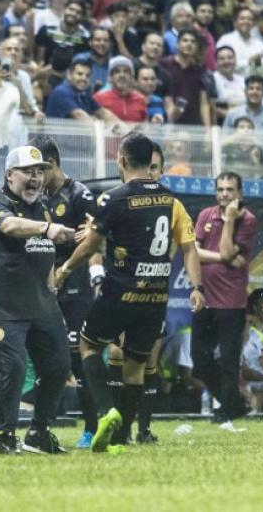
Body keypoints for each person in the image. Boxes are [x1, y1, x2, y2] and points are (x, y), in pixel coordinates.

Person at [56, 132, 204, 452]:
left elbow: (91, 247)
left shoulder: (113, 197)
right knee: (136, 366)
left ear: (121, 161)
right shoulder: (170, 199)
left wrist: (66, 269)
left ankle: (108, 410)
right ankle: (121, 438)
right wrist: (197, 287)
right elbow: (190, 249)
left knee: (88, 345)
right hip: (155, 297)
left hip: (120, 292)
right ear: (150, 162)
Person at [0, 145, 75, 454]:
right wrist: (48, 228)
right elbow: (9, 226)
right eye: (28, 172)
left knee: (59, 367)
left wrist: (52, 290)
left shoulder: (42, 206)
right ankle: (4, 435)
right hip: (3, 307)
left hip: (42, 304)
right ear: (9, 175)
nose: (35, 179)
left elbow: (44, 256)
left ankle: (39, 433)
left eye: (39, 172)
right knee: (14, 369)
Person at [32, 134, 100, 449]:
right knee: (47, 358)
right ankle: (41, 428)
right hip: (43, 289)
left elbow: (95, 239)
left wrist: (65, 270)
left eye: (39, 169)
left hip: (75, 289)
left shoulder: (80, 196)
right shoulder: (37, 197)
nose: (34, 177)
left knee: (78, 359)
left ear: (53, 164)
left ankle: (92, 426)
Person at [191, 171, 257, 427]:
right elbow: (194, 252)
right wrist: (223, 259)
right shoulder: (205, 215)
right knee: (200, 360)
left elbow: (229, 249)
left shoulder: (248, 219)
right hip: (204, 297)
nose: (224, 194)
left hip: (231, 301)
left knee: (229, 362)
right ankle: (234, 404)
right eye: (220, 189)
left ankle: (227, 410)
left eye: (230, 190)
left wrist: (229, 220)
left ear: (239, 193)